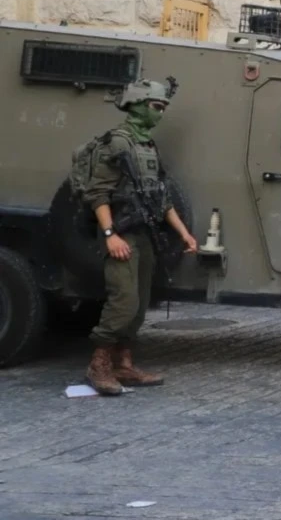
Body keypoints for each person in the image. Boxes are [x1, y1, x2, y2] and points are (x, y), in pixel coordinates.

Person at [75, 78, 199, 396]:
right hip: (121, 233)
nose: (160, 113)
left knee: (140, 304)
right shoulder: (118, 143)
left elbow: (162, 198)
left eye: (163, 108)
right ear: (139, 105)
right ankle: (99, 365)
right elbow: (98, 193)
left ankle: (123, 363)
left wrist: (184, 233)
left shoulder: (147, 146)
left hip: (144, 234)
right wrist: (110, 234)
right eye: (156, 106)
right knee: (124, 302)